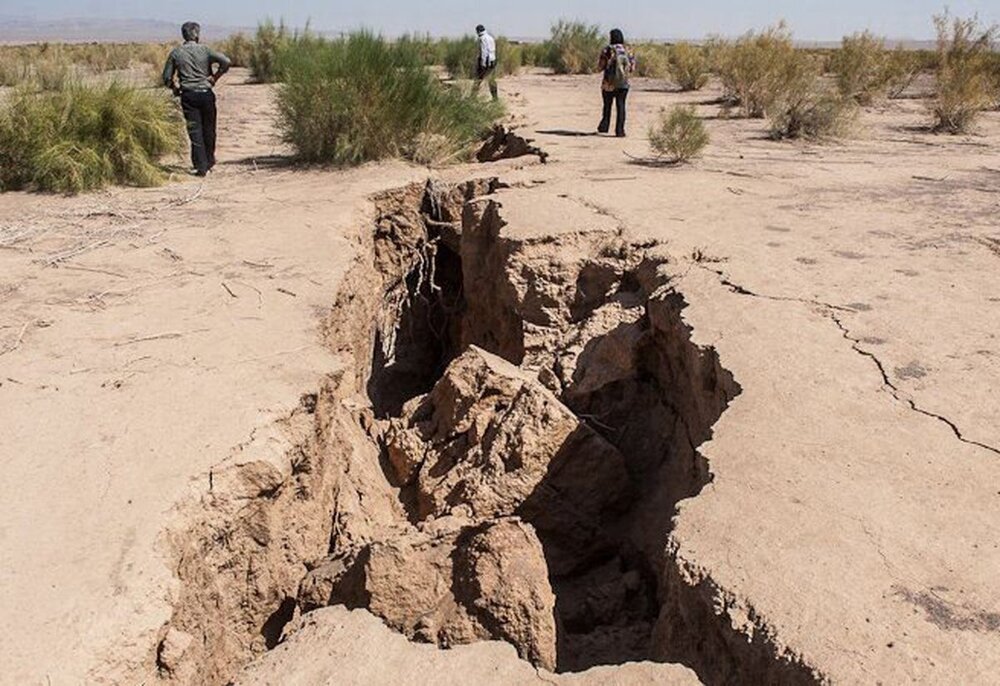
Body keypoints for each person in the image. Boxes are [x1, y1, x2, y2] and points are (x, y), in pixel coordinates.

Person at [162, 22, 231, 176]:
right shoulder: (205, 50)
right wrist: (215, 78)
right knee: (209, 128)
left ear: (184, 35)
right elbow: (226, 61)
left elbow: (166, 77)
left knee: (195, 130)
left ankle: (201, 166)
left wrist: (174, 89)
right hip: (206, 93)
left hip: (188, 95)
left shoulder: (176, 53)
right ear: (197, 34)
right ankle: (209, 160)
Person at [597, 29, 636, 137]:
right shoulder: (628, 50)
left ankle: (604, 126)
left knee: (607, 105)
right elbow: (632, 68)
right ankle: (620, 131)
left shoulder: (607, 50)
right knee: (621, 106)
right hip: (623, 83)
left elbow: (600, 66)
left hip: (608, 83)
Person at [474, 24, 499, 101]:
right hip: (492, 60)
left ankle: (472, 96)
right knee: (491, 80)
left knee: (478, 79)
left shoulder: (482, 38)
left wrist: (483, 64)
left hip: (485, 61)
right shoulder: (490, 37)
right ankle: (495, 98)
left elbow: (484, 51)